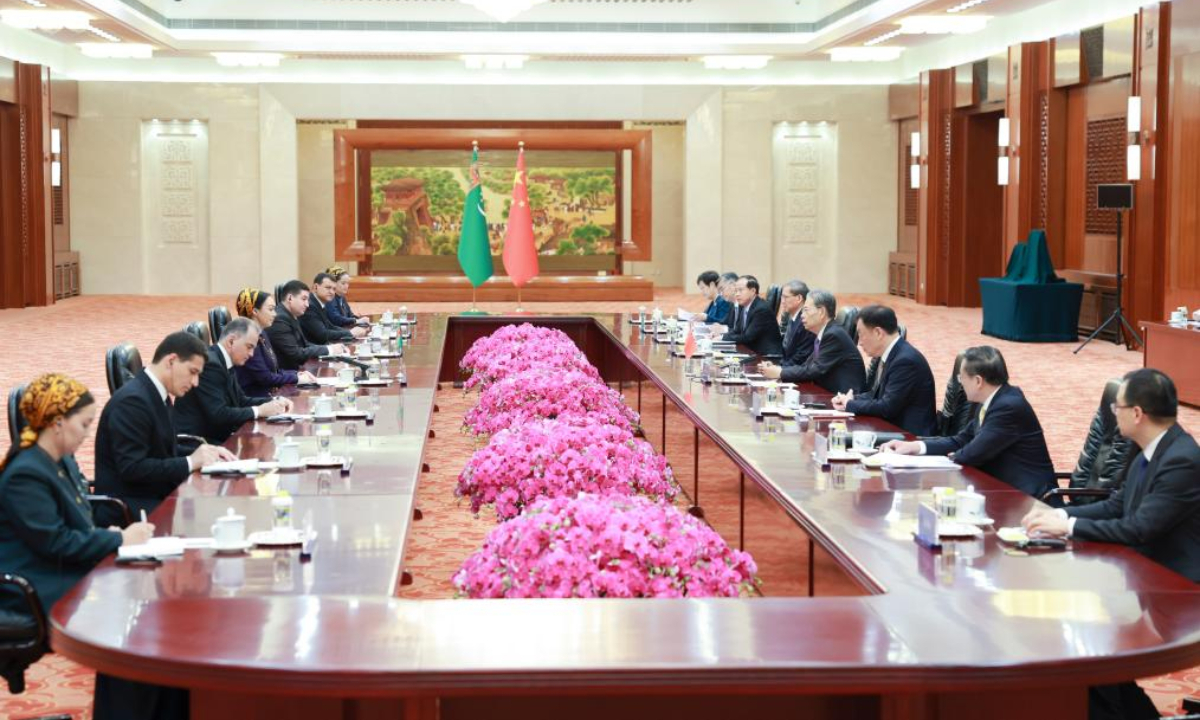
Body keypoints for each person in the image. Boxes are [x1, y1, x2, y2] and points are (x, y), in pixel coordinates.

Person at [0, 374, 183, 720]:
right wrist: (118, 538)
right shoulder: (26, 474)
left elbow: (76, 525)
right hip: (35, 584)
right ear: (57, 423)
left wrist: (106, 533)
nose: (88, 434)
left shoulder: (61, 460)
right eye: (84, 424)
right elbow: (56, 543)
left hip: (61, 568)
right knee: (132, 618)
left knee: (149, 603)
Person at [1023, 369, 1199, 580]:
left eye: (1117, 407)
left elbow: (1139, 529)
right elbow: (1116, 506)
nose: (1114, 413)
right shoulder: (1149, 449)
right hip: (1142, 567)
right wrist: (1061, 514)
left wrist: (1068, 527)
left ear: (1136, 414)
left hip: (1177, 581)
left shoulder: (1181, 461)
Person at [94, 332, 237, 520]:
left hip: (153, 495)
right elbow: (133, 468)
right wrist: (190, 461)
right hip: (131, 508)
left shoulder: (157, 393)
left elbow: (163, 448)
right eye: (193, 372)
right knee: (214, 516)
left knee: (222, 505)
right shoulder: (132, 401)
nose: (195, 383)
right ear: (171, 361)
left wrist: (207, 452)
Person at [883, 346, 1056, 499]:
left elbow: (973, 453)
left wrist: (950, 457)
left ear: (978, 381)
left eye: (962, 378)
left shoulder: (1008, 407)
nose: (960, 383)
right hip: (1003, 490)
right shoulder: (992, 400)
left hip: (1030, 499)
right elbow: (962, 440)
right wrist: (915, 447)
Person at [174, 318, 292, 445]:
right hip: (197, 442)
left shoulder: (224, 361)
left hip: (215, 437)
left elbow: (240, 400)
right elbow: (219, 414)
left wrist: (274, 401)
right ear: (231, 341)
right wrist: (259, 411)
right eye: (249, 347)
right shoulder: (210, 365)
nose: (252, 354)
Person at [833, 305, 936, 436]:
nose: (859, 342)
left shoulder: (905, 361)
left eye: (861, 334)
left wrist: (850, 404)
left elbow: (887, 407)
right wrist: (852, 398)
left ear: (878, 333)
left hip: (909, 436)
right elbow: (878, 395)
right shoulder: (891, 354)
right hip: (892, 428)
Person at [760, 289, 864, 393]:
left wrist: (780, 372)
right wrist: (777, 368)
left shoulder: (833, 335)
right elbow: (807, 366)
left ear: (821, 312)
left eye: (806, 310)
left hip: (845, 397)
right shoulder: (825, 333)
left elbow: (814, 370)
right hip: (828, 392)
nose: (802, 315)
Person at [233, 287, 318, 398]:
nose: (275, 314)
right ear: (255, 311)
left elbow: (274, 370)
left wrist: (296, 374)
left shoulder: (262, 333)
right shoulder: (248, 339)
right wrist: (297, 378)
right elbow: (265, 378)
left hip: (271, 394)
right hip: (256, 399)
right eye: (271, 309)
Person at [267, 279, 346, 371]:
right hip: (289, 373)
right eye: (304, 299)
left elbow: (305, 344)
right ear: (290, 298)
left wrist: (329, 348)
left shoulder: (290, 314)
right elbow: (296, 354)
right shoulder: (280, 319)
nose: (307, 305)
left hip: (297, 370)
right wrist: (329, 350)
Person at [721, 275, 783, 357]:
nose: (737, 294)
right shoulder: (743, 306)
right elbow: (737, 331)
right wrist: (720, 336)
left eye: (740, 290)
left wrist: (723, 338)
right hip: (751, 351)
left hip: (766, 356)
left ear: (753, 291)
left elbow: (747, 337)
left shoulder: (761, 309)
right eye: (736, 291)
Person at [302, 272, 366, 345]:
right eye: (328, 288)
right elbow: (323, 334)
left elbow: (330, 326)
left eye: (334, 289)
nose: (332, 292)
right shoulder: (309, 306)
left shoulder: (320, 302)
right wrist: (350, 333)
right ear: (316, 287)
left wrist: (350, 332)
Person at [778, 280, 814, 367]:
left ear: (799, 298)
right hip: (788, 366)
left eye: (785, 297)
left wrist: (779, 369)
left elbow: (801, 357)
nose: (782, 301)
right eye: (782, 297)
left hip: (796, 370)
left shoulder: (806, 321)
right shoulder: (792, 316)